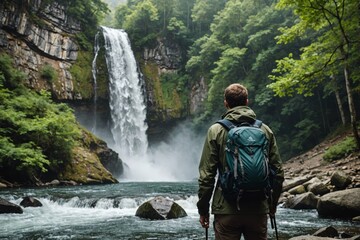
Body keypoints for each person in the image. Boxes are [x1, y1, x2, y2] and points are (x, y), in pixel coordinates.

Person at [197, 83, 284, 240]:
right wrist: (272, 205)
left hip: (226, 209)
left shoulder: (215, 131)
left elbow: (207, 176)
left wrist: (203, 209)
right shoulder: (265, 130)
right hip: (258, 208)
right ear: (247, 101)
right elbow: (278, 172)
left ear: (226, 103)